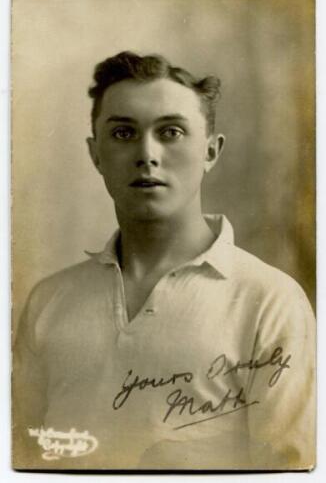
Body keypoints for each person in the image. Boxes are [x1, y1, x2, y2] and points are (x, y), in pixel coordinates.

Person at [13, 51, 315, 470]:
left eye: (170, 132)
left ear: (211, 151)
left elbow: (292, 470)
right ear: (95, 153)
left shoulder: (269, 301)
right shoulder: (50, 301)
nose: (147, 154)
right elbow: (21, 459)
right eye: (123, 134)